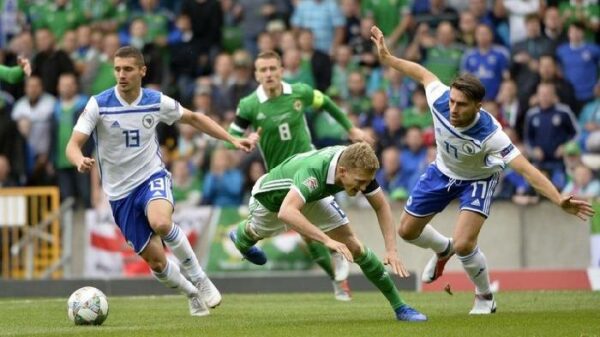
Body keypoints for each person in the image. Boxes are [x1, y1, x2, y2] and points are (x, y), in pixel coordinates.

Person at [371, 25, 595, 315]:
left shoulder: (491, 134)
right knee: (407, 231)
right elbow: (423, 74)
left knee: (465, 244)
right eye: (452, 101)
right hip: (442, 171)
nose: (453, 109)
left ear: (478, 106)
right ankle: (442, 249)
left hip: (477, 179)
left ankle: (485, 297)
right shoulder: (440, 100)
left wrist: (558, 199)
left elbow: (526, 170)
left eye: (461, 105)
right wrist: (388, 58)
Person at [65, 46, 254, 317]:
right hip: (119, 194)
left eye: (128, 69)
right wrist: (78, 160)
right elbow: (73, 145)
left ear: (142, 71)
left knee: (162, 222)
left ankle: (200, 277)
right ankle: (190, 292)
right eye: (117, 69)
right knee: (156, 262)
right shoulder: (99, 103)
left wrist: (232, 139)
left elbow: (194, 118)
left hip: (151, 176)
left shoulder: (155, 101)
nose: (121, 74)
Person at [227, 50, 371, 301]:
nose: (269, 74)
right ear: (256, 74)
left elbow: (325, 102)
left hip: (313, 166)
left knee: (333, 220)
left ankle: (339, 267)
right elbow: (232, 134)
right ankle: (337, 281)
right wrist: (244, 140)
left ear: (282, 70)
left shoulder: (300, 92)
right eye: (264, 70)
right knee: (306, 235)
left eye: (273, 68)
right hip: (281, 176)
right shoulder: (249, 105)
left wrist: (350, 128)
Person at [229, 142, 427, 321]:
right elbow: (286, 212)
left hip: (311, 196)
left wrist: (391, 249)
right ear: (342, 171)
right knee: (254, 232)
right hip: (270, 201)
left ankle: (400, 307)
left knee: (355, 246)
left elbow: (382, 206)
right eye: (359, 182)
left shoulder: (356, 166)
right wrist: (327, 240)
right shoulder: (315, 171)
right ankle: (242, 238)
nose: (363, 188)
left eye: (367, 182)